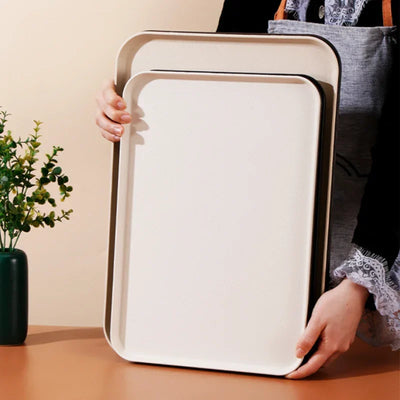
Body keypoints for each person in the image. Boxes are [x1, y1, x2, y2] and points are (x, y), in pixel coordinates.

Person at [95, 0, 399, 379]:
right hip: (267, 248)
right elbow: (221, 98)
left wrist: (357, 286)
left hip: (378, 250)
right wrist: (131, 101)